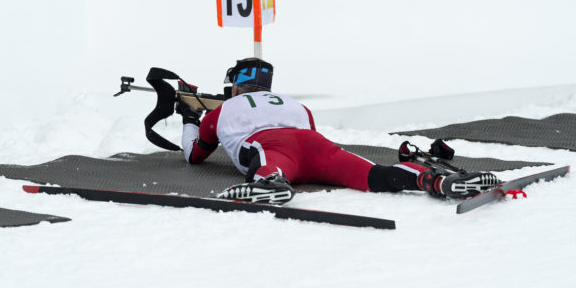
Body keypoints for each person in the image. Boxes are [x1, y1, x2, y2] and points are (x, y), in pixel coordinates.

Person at [176, 58, 499, 204]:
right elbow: (306, 134)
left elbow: (194, 156)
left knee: (270, 162)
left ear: (236, 86)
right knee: (374, 175)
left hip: (271, 147)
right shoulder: (294, 104)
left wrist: (190, 117)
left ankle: (270, 183)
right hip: (315, 145)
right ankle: (435, 180)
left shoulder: (222, 111)